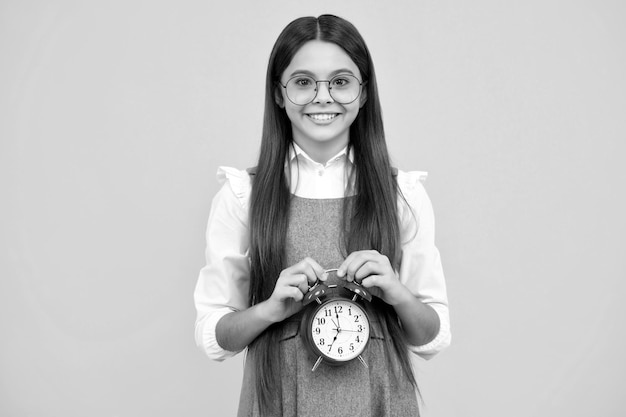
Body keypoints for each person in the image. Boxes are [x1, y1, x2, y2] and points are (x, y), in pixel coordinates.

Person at [194, 14, 451, 417]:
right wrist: (270, 309)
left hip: (380, 400)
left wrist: (397, 292)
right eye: (303, 82)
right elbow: (215, 336)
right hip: (278, 398)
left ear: (364, 93)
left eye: (341, 81)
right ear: (279, 94)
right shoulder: (242, 195)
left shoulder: (403, 194)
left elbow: (431, 337)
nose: (322, 96)